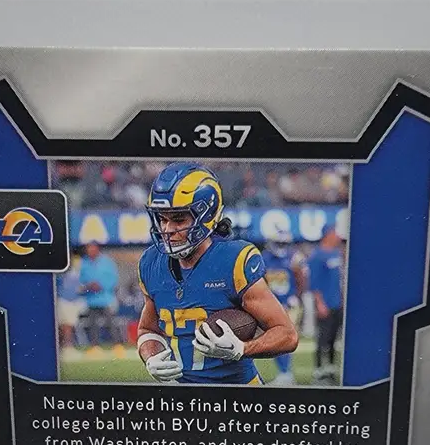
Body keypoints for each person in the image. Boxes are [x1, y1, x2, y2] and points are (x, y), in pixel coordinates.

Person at [136, 163, 298, 385]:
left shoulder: (233, 261)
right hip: (184, 396)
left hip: (238, 394)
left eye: (179, 219)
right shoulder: (151, 263)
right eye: (162, 219)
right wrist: (151, 357)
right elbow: (147, 329)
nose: (167, 229)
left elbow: (287, 335)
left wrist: (242, 348)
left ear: (207, 215)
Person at [261, 217, 307, 386]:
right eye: (279, 243)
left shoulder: (294, 257)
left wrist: (297, 296)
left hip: (290, 303)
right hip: (272, 304)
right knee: (275, 339)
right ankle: (285, 372)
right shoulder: (263, 258)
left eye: (284, 243)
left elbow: (301, 279)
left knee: (284, 338)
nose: (281, 246)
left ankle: (286, 373)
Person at [308, 222, 346, 384]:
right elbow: (314, 282)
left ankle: (329, 368)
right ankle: (318, 369)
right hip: (325, 303)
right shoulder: (317, 255)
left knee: (333, 337)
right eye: (335, 232)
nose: (337, 236)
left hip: (337, 302)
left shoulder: (336, 253)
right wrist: (319, 303)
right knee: (322, 337)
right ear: (328, 234)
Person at [77, 241, 120, 350]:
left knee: (110, 322)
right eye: (88, 249)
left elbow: (113, 278)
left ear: (97, 249)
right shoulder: (84, 263)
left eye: (92, 248)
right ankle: (94, 346)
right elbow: (81, 280)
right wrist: (88, 286)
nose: (90, 251)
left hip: (106, 298)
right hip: (91, 299)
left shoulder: (107, 262)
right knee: (93, 324)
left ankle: (117, 345)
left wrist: (102, 285)